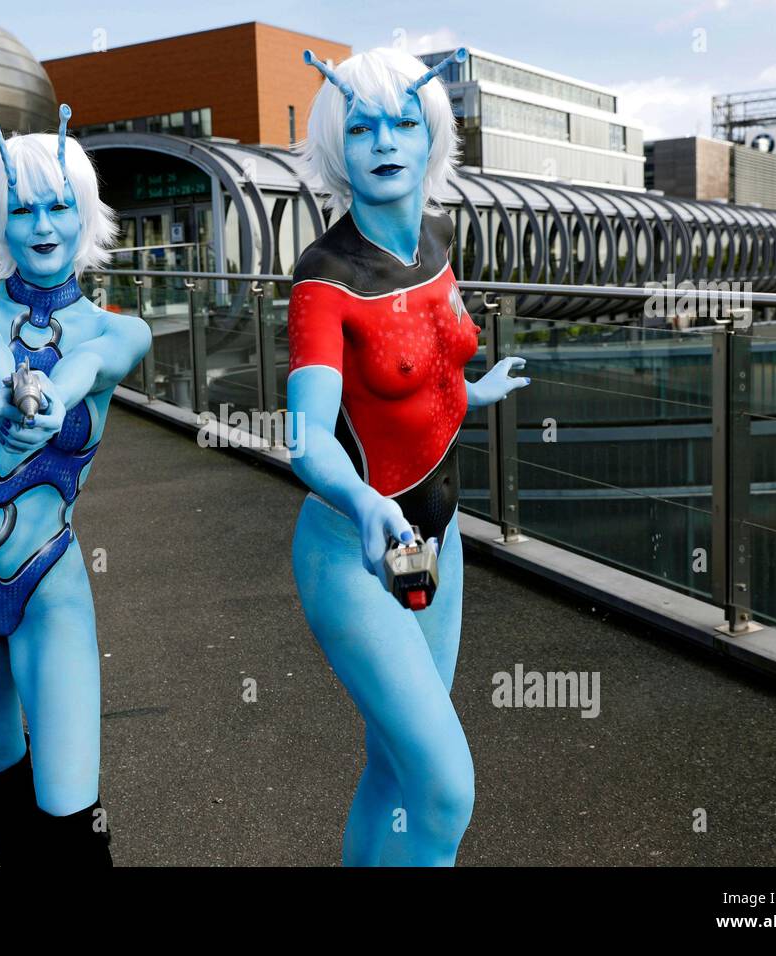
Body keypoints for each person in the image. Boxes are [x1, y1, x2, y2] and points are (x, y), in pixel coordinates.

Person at [288, 47, 529, 866]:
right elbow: (310, 434)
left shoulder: (436, 236)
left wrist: (474, 393)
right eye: (360, 126)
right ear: (337, 149)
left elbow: (429, 361)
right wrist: (362, 503)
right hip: (352, 553)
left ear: (432, 138)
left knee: (394, 767)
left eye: (403, 122)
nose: (384, 141)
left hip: (440, 537)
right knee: (443, 786)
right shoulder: (324, 278)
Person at [0, 105, 150, 866]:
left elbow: (86, 368)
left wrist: (51, 396)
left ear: (86, 214)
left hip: (46, 585)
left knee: (72, 825)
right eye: (21, 207)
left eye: (59, 205)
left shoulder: (121, 331)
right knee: (7, 818)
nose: (43, 224)